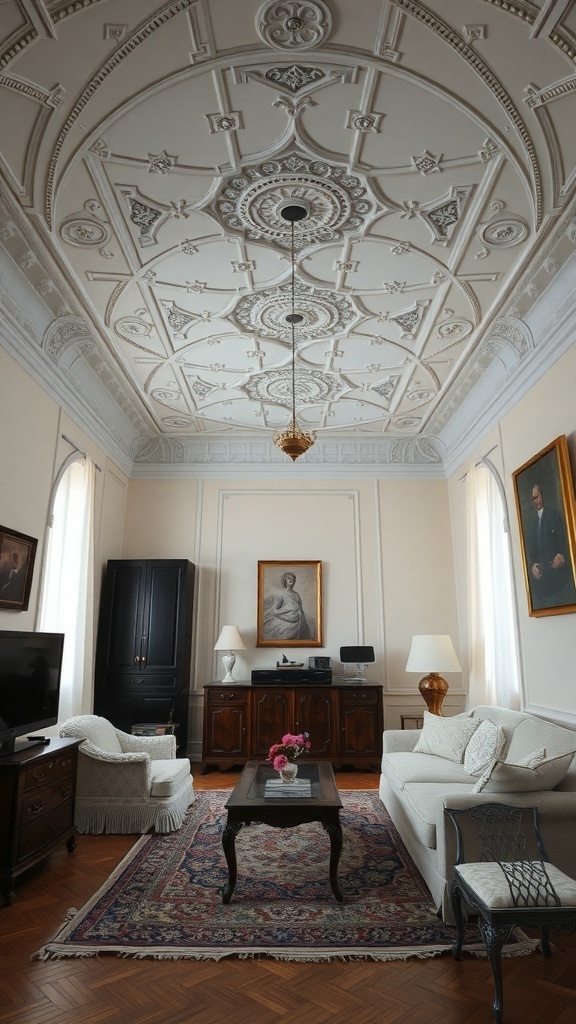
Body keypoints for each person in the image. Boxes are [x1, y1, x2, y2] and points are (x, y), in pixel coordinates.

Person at [526, 482, 576, 609]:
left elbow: (565, 541)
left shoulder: (553, 514)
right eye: (534, 498)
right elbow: (530, 551)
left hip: (556, 576)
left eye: (538, 496)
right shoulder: (531, 523)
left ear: (542, 495)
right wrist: (532, 566)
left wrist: (561, 555)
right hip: (541, 580)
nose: (537, 500)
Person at [262, 571, 311, 640]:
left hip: (298, 623)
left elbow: (301, 610)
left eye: (293, 579)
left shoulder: (297, 595)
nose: (292, 580)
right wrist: (287, 611)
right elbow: (274, 610)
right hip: (285, 624)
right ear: (285, 581)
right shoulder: (281, 594)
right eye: (289, 578)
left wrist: (304, 622)